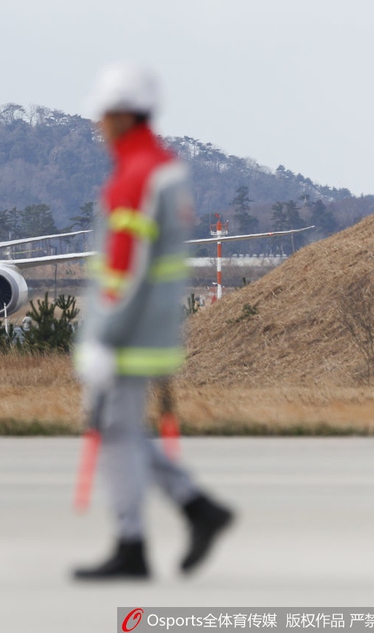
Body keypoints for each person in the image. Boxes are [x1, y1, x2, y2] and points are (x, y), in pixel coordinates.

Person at [72, 63, 233, 581]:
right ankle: (196, 509)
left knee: (115, 433)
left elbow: (126, 265)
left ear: (121, 115)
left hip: (128, 333)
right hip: (153, 328)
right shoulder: (163, 167)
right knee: (120, 430)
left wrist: (103, 336)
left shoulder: (136, 175)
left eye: (103, 115)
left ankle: (133, 544)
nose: (98, 125)